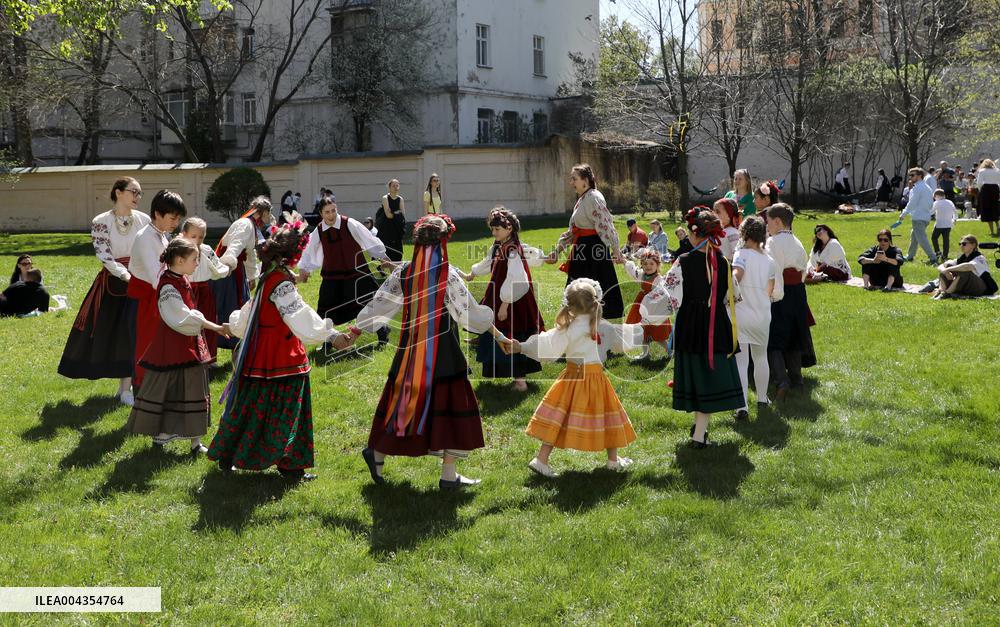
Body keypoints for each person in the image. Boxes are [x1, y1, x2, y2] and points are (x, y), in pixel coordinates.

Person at [356, 215, 505, 490]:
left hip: (410, 350)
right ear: (442, 242)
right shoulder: (446, 274)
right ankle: (447, 474)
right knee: (451, 403)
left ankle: (378, 453)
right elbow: (469, 314)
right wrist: (497, 332)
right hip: (444, 351)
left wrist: (356, 329)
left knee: (403, 400)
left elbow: (380, 304)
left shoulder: (404, 272)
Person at [208, 213, 356, 481]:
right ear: (294, 255)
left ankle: (229, 453)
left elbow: (250, 311)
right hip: (281, 356)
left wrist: (235, 326)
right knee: (286, 410)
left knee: (250, 405)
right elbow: (300, 317)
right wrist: (331, 335)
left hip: (258, 353)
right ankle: (290, 465)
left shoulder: (270, 276)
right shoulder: (281, 283)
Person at [504, 277, 643, 476]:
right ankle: (613, 461)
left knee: (559, 417)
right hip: (596, 379)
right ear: (595, 301)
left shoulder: (568, 328)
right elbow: (624, 339)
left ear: (569, 305)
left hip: (572, 377)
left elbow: (547, 345)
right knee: (608, 416)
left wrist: (522, 347)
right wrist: (644, 328)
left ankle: (541, 459)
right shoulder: (604, 327)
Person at [641, 209, 743, 448]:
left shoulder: (684, 261)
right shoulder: (723, 262)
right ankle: (699, 431)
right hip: (716, 324)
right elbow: (734, 296)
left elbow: (669, 296)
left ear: (696, 234)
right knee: (708, 375)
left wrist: (647, 311)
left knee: (699, 377)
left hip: (691, 325)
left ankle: (699, 434)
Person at [125, 238, 229, 453]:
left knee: (195, 388)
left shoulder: (181, 279)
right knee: (169, 388)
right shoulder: (168, 286)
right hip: (172, 347)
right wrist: (216, 327)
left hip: (189, 343)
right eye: (194, 259)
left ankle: (195, 440)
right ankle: (163, 433)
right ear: (180, 260)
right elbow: (182, 316)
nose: (197, 263)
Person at [58, 177, 149, 404]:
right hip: (113, 285)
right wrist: (125, 275)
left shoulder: (144, 220)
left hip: (140, 281)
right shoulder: (101, 221)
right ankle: (124, 388)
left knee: (132, 333)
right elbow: (105, 255)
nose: (137, 197)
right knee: (113, 334)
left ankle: (126, 389)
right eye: (134, 192)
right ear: (118, 192)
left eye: (139, 193)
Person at [463, 207, 545, 392]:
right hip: (501, 297)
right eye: (492, 229)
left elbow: (518, 280)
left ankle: (520, 382)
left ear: (509, 229)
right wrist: (472, 273)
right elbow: (490, 262)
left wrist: (505, 305)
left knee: (513, 333)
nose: (493, 233)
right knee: (500, 334)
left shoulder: (512, 249)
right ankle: (516, 379)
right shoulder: (501, 245)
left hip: (513, 301)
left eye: (497, 229)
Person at [298, 193, 392, 346]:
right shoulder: (319, 231)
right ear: (321, 213)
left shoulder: (350, 223)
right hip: (332, 276)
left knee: (368, 304)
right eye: (327, 212)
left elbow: (368, 239)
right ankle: (328, 340)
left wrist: (382, 256)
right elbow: (309, 251)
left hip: (357, 273)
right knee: (327, 310)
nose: (331, 215)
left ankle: (383, 331)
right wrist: (304, 268)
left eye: (333, 210)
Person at [546, 163, 625, 319]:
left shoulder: (593, 197)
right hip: (583, 249)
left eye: (574, 179)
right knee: (578, 291)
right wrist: (557, 251)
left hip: (594, 251)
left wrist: (616, 250)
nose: (571, 183)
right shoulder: (583, 199)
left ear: (585, 180)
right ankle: (581, 321)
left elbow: (606, 225)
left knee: (594, 290)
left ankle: (596, 325)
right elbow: (573, 231)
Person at [127, 190, 186, 392]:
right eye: (172, 218)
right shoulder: (145, 237)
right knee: (145, 349)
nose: (176, 222)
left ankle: (157, 392)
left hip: (156, 297)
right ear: (157, 214)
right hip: (144, 301)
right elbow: (156, 278)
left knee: (158, 347)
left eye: (178, 218)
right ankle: (144, 396)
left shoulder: (160, 235)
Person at [764, 203, 816, 401]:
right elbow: (803, 269)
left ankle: (782, 380)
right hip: (798, 293)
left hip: (781, 292)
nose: (767, 226)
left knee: (775, 338)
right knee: (794, 334)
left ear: (777, 222)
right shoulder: (797, 241)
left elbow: (774, 270)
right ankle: (797, 379)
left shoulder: (772, 242)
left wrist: (772, 295)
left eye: (768, 222)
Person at [213, 195, 272, 350]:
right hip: (227, 272)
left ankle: (236, 343)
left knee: (236, 304)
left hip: (236, 271)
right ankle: (224, 342)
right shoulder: (245, 224)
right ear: (261, 212)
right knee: (226, 305)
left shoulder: (251, 225)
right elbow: (235, 246)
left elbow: (250, 254)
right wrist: (228, 263)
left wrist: (252, 277)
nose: (269, 217)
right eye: (268, 213)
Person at [731, 216, 775, 420]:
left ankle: (742, 406)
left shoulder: (741, 254)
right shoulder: (769, 260)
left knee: (741, 361)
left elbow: (737, 275)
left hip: (742, 312)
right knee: (760, 357)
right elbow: (770, 289)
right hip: (763, 313)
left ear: (744, 234)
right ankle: (762, 399)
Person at [180, 217, 230, 361]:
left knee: (207, 321)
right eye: (193, 236)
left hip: (204, 291)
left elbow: (217, 266)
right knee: (188, 322)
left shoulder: (206, 250)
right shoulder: (179, 249)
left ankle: (208, 357)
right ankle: (188, 357)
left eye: (201, 237)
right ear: (184, 234)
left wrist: (227, 269)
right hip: (185, 290)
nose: (197, 240)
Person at [622, 248, 671, 356]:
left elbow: (663, 293)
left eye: (651, 264)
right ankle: (645, 354)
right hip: (641, 305)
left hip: (654, 307)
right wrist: (624, 261)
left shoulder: (658, 279)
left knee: (657, 334)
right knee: (643, 331)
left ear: (657, 265)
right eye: (645, 264)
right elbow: (633, 271)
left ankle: (669, 350)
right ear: (642, 265)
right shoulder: (642, 275)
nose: (648, 266)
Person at [933, 235, 999, 298]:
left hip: (983, 289)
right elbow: (942, 265)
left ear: (973, 245)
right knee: (946, 268)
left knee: (964, 271)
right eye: (960, 244)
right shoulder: (962, 258)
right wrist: (945, 271)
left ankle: (946, 293)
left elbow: (967, 266)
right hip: (968, 287)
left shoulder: (979, 257)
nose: (961, 246)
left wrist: (948, 270)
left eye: (964, 244)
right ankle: (941, 291)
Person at [897, 167, 937, 263]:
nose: (910, 177)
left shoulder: (918, 188)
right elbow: (931, 203)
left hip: (919, 217)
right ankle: (910, 256)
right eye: (909, 175)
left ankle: (933, 257)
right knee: (914, 236)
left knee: (922, 239)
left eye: (912, 175)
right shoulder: (926, 187)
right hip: (925, 216)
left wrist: (904, 213)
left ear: (919, 176)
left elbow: (912, 203)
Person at [377, 179, 406, 262]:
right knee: (386, 249)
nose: (396, 188)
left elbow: (403, 215)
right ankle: (383, 267)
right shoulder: (385, 198)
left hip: (397, 228)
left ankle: (396, 267)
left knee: (397, 250)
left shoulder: (400, 199)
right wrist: (397, 214)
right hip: (386, 228)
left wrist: (393, 213)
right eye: (393, 186)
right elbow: (388, 215)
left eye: (397, 186)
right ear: (389, 187)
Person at [975, 158, 1000, 237]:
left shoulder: (982, 171)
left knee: (987, 210)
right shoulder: (997, 171)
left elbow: (979, 183)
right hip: (995, 189)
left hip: (986, 189)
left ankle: (992, 231)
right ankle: (998, 227)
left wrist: (981, 190)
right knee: (995, 208)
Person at [931, 188, 957, 262]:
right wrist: (954, 219)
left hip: (939, 224)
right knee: (946, 240)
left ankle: (937, 252)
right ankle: (945, 255)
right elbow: (955, 211)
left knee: (934, 238)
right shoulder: (950, 202)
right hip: (948, 224)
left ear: (937, 196)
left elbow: (931, 212)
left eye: (934, 197)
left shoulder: (937, 203)